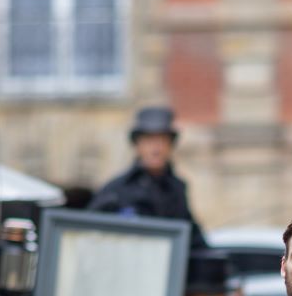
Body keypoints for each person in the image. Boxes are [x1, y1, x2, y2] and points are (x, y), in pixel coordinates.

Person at [89, 105, 207, 249]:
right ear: (137, 146)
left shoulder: (177, 189)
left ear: (170, 146)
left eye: (162, 140)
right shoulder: (115, 190)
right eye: (149, 140)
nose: (156, 149)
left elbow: (193, 238)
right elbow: (92, 235)